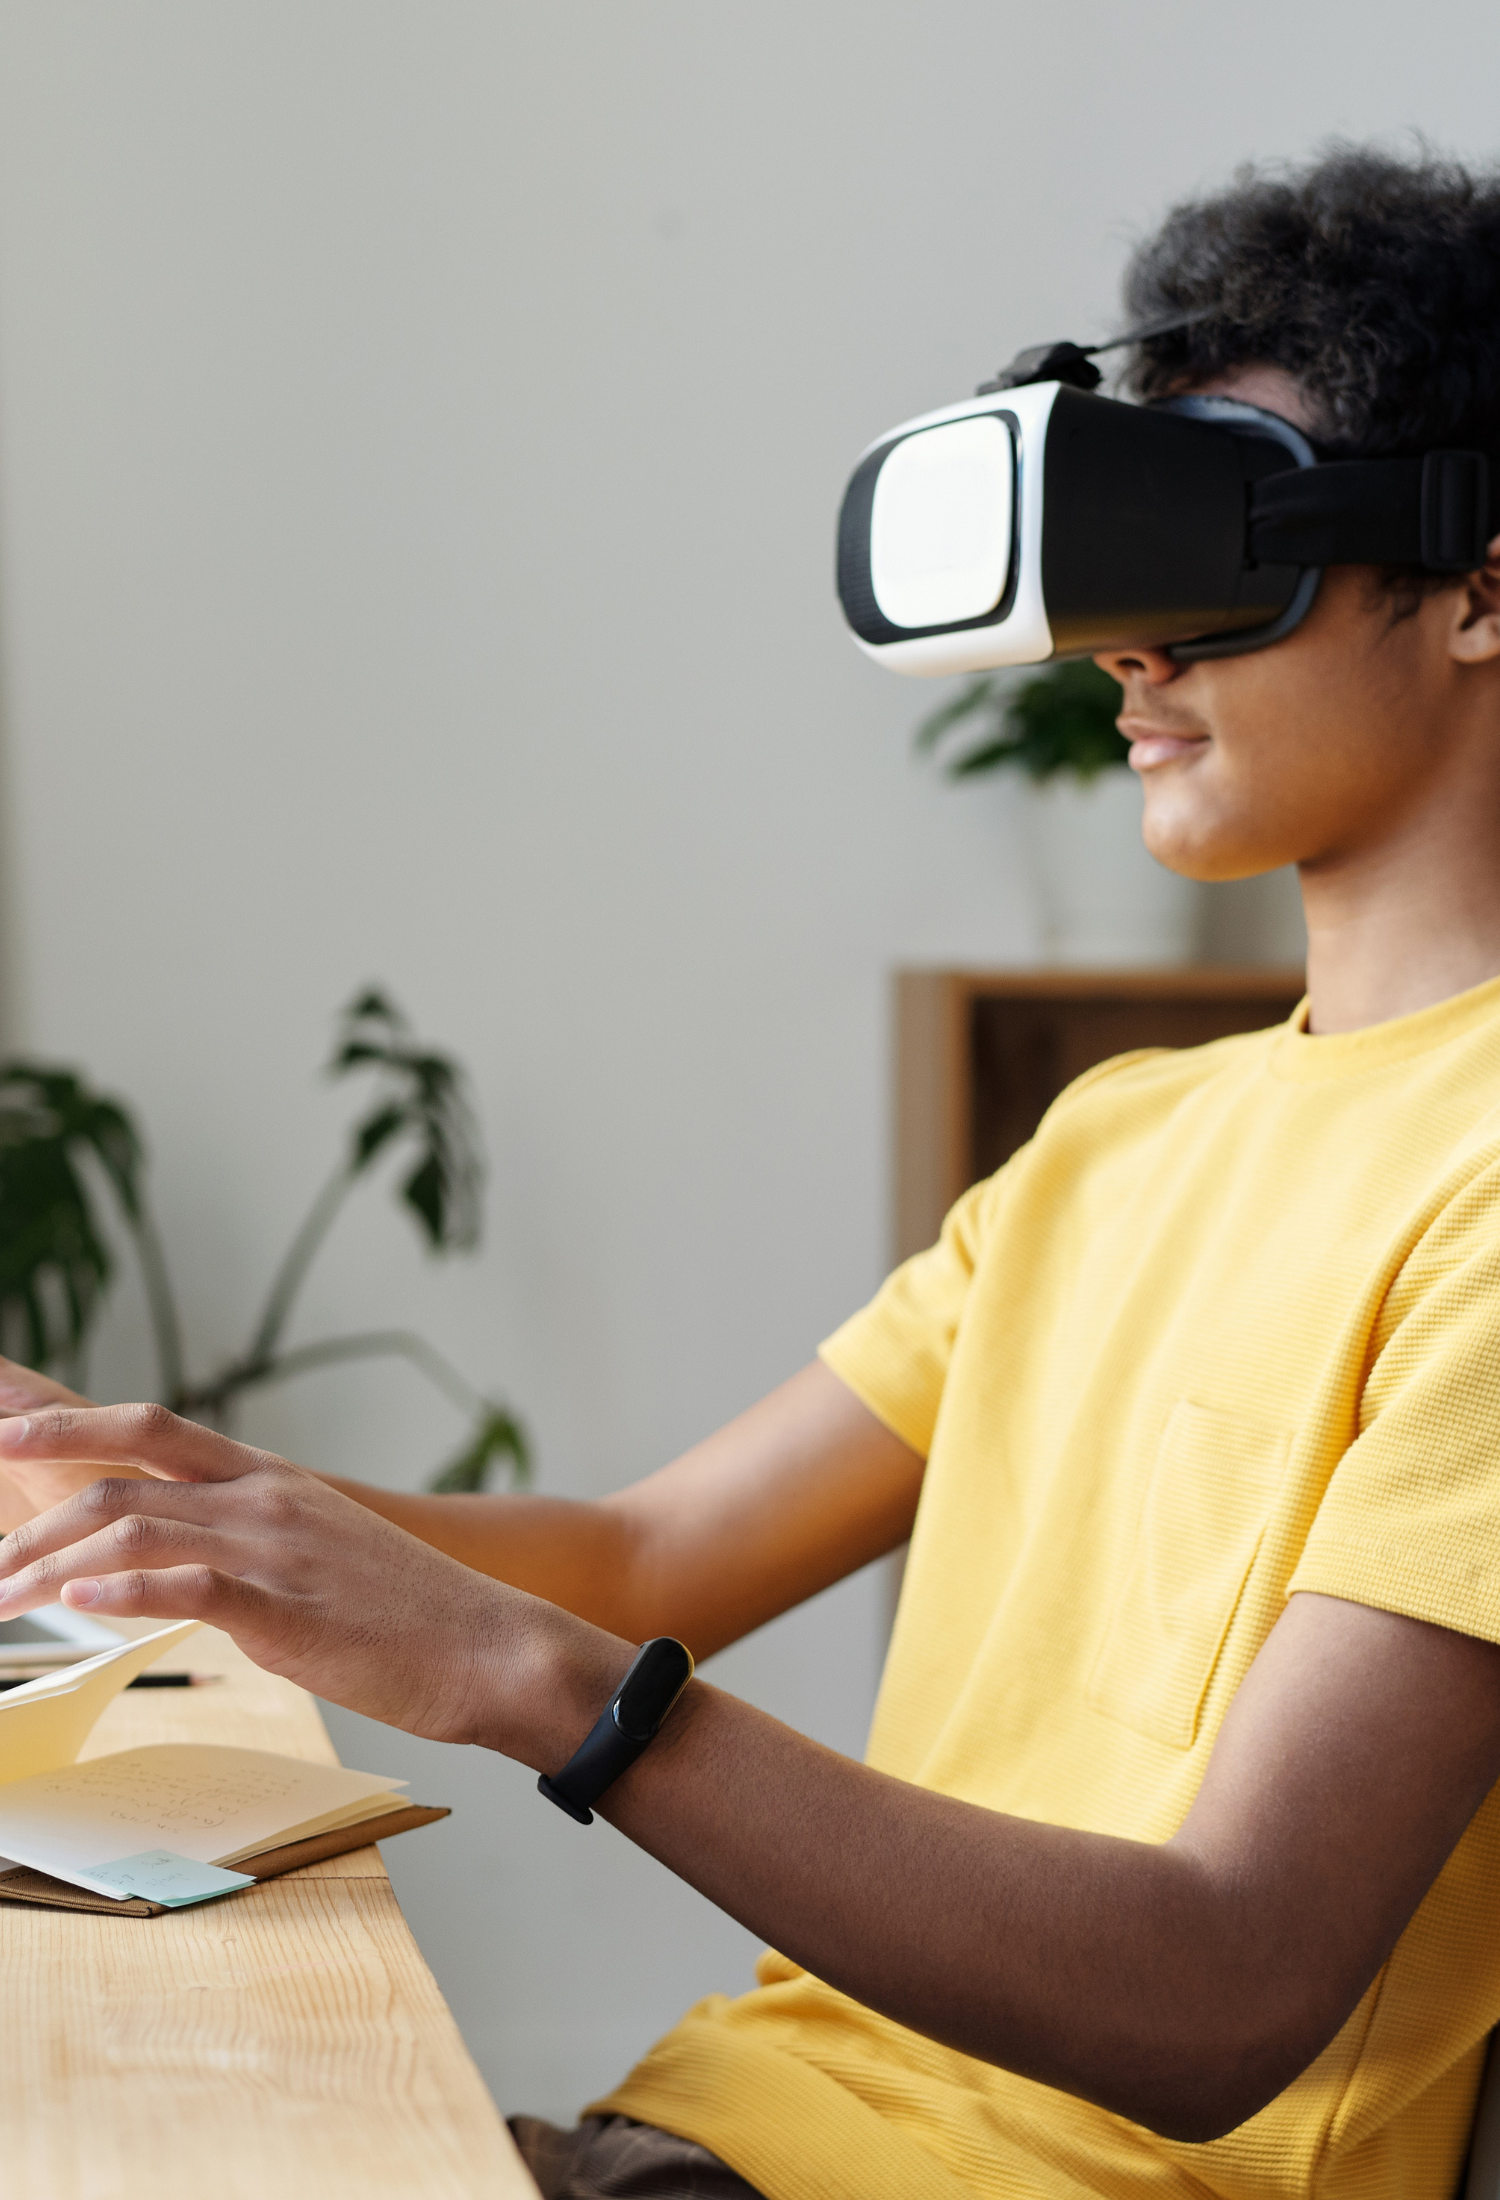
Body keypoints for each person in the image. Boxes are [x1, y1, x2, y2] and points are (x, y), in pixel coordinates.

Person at [3, 142, 1500, 2200]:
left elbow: (1225, 1984)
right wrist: (143, 1480)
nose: (1125, 652)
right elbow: (641, 1558)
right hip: (696, 2136)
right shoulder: (1121, 1135)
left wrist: (538, 1690)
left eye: (1207, 548)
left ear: (1481, 578)